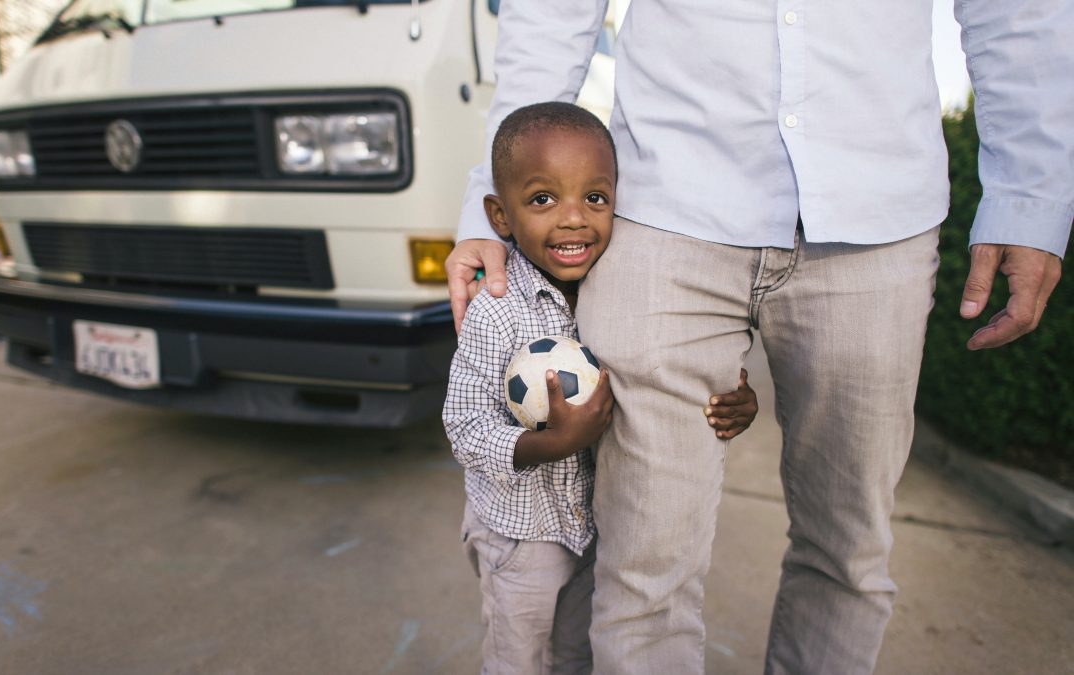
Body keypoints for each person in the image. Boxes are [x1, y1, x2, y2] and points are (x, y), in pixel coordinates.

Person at [446, 2, 1070, 674]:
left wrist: (1031, 197)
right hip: (666, 204)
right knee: (642, 563)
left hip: (878, 209)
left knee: (848, 553)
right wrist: (497, 192)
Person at [442, 102, 760, 674]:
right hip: (521, 538)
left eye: (595, 198)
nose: (573, 220)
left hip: (594, 528)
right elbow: (464, 426)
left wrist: (736, 399)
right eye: (542, 200)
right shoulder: (496, 310)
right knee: (518, 660)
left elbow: (663, 385)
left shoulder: (620, 296)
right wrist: (546, 443)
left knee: (578, 655)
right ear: (500, 216)